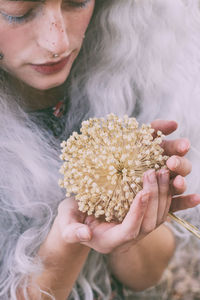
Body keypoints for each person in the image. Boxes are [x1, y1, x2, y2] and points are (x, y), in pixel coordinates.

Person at [0, 0, 199, 299]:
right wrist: (70, 242)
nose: (58, 42)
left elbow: (147, 276)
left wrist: (130, 206)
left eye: (77, 2)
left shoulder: (124, 78)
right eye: (18, 13)